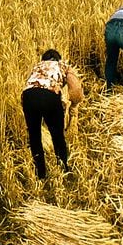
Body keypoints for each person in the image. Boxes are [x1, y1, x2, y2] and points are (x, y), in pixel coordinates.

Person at [21, 49, 84, 179]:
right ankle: (63, 167)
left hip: (28, 96)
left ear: (44, 59)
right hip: (49, 95)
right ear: (58, 59)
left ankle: (41, 173)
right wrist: (74, 105)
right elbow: (76, 90)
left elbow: (31, 85)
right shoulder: (63, 65)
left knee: (34, 135)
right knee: (57, 135)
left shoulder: (37, 66)